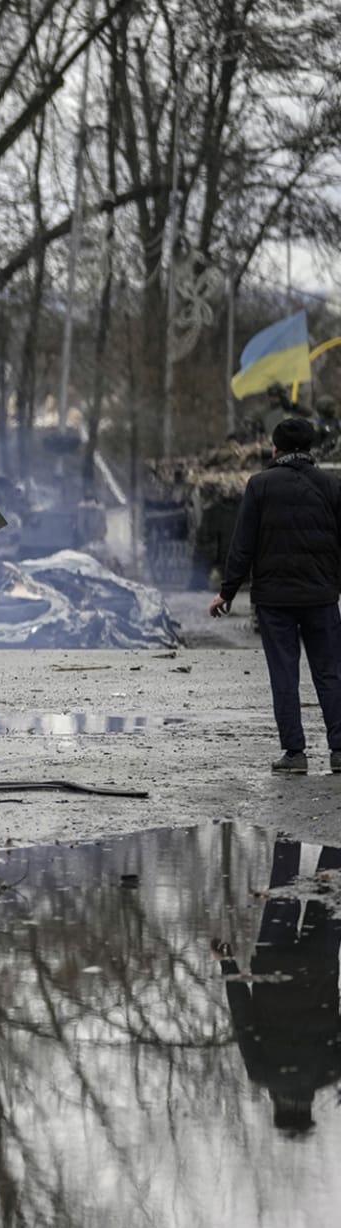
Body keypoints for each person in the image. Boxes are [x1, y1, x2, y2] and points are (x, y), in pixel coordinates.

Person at [209, 415, 341, 772]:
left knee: (284, 675)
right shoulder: (330, 485)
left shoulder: (260, 485)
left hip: (275, 600)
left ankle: (295, 754)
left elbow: (243, 543)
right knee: (330, 673)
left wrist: (227, 592)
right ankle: (340, 750)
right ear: (310, 448)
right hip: (321, 597)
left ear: (275, 447)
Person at [215, 838, 341, 1135]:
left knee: (330, 887)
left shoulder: (329, 1072)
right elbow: (243, 1017)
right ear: (278, 1107)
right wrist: (227, 963)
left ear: (307, 1107)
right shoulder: (261, 1073)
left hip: (319, 965)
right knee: (283, 885)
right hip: (274, 960)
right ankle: (288, 828)